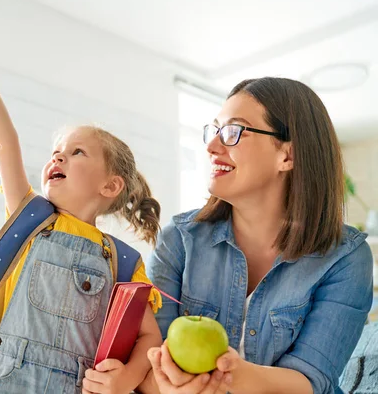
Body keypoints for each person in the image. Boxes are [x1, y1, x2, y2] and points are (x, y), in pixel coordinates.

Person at [0, 22, 163, 394]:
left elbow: (150, 339)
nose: (59, 156)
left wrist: (126, 379)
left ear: (110, 185)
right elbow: (4, 143)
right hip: (3, 383)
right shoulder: (29, 217)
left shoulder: (123, 261)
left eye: (77, 152)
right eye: (56, 152)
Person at [144, 77, 374, 394]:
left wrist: (227, 374)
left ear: (288, 156)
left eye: (233, 132)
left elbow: (311, 380)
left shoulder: (346, 258)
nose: (212, 147)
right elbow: (147, 363)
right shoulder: (178, 240)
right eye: (214, 130)